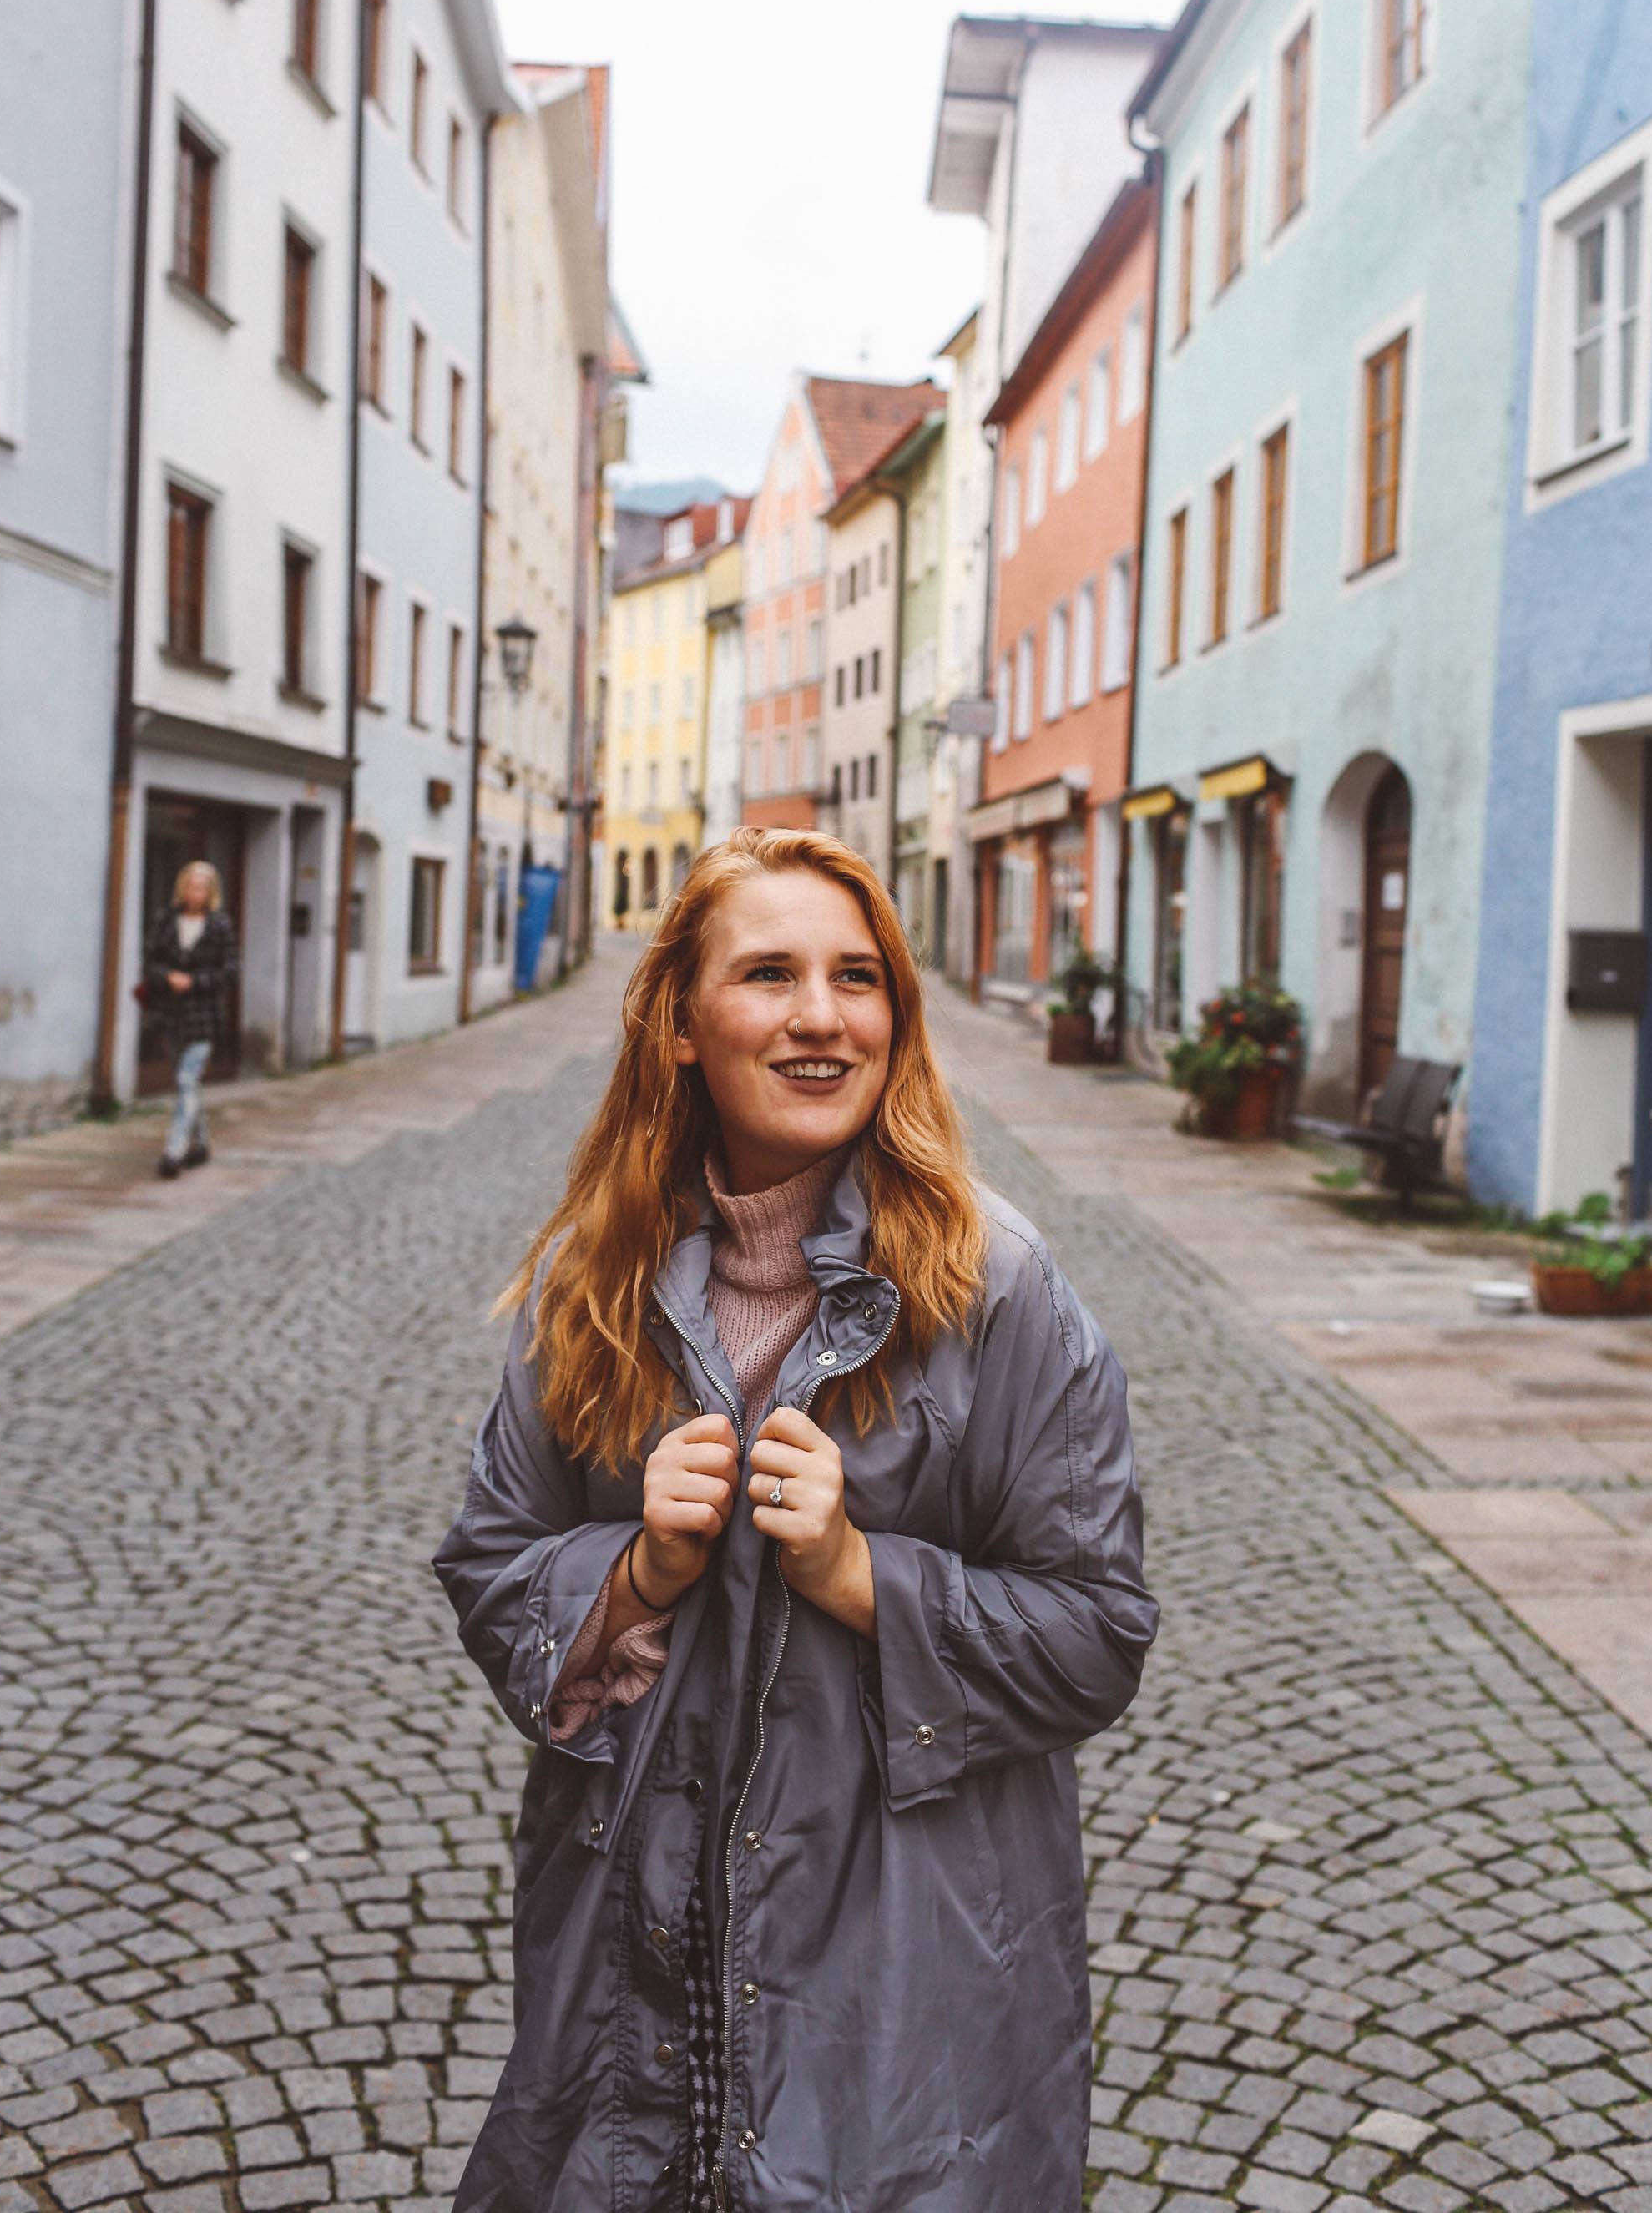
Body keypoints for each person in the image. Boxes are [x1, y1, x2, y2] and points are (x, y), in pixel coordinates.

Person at [434, 826, 1157, 2213]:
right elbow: (490, 1561)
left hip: (907, 2005)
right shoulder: (594, 1283)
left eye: (858, 978)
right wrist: (634, 1572)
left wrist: (858, 1570)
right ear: (681, 1024)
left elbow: (1098, 1634)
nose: (822, 1017)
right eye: (769, 974)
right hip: (627, 1971)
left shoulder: (997, 1290)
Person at [142, 860, 237, 1180]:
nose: (194, 892)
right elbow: (150, 961)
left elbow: (230, 970)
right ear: (181, 888)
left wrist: (195, 982)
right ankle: (202, 1143)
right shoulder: (166, 920)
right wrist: (168, 976)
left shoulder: (220, 925)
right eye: (190, 885)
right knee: (187, 1084)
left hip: (203, 1016)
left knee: (186, 1080)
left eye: (201, 887)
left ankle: (174, 1151)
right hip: (170, 1014)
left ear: (210, 892)